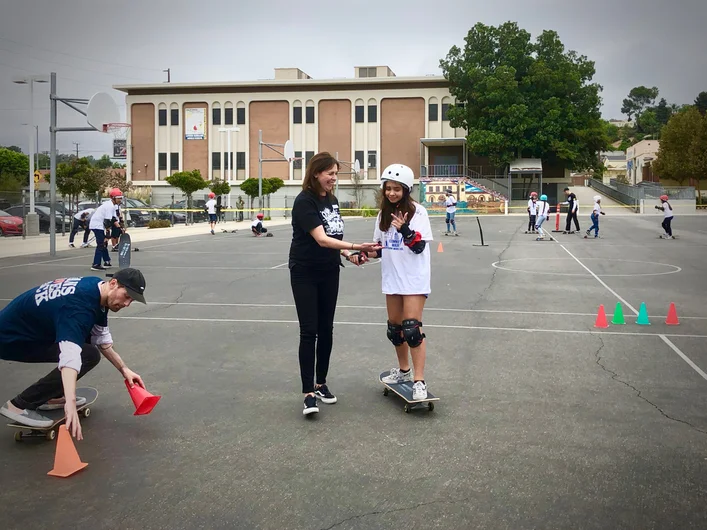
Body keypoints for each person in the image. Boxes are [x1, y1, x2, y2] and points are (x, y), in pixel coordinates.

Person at [0, 268, 147, 440]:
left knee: (88, 347)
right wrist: (70, 405)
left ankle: (52, 397)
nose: (127, 304)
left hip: (28, 330)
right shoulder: (79, 308)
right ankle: (19, 405)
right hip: (11, 339)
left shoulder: (97, 288)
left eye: (132, 300)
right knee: (86, 355)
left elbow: (102, 340)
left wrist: (124, 370)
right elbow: (70, 358)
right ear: (113, 284)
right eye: (127, 296)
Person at [289, 152, 380, 416]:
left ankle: (321, 384)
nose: (333, 178)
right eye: (330, 173)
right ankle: (308, 394)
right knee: (309, 331)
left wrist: (348, 254)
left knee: (327, 329)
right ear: (316, 173)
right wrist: (354, 245)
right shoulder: (303, 201)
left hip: (329, 270)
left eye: (336, 174)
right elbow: (321, 239)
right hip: (304, 272)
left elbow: (332, 239)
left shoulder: (332, 200)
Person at [350, 164, 434, 400]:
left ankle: (419, 381)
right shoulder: (382, 216)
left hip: (414, 279)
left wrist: (405, 229)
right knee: (395, 331)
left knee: (412, 330)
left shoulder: (418, 212)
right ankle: (404, 372)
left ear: (406, 190)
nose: (391, 193)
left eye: (397, 189)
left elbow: (418, 247)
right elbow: (380, 249)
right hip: (393, 279)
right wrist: (363, 255)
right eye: (388, 188)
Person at [89, 189, 123, 271]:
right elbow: (107, 222)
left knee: (104, 243)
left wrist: (120, 227)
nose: (120, 200)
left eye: (121, 198)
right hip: (97, 225)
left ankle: (107, 261)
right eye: (118, 198)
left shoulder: (113, 205)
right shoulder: (109, 206)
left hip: (100, 225)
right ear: (113, 198)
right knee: (101, 244)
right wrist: (108, 234)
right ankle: (96, 264)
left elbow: (114, 219)